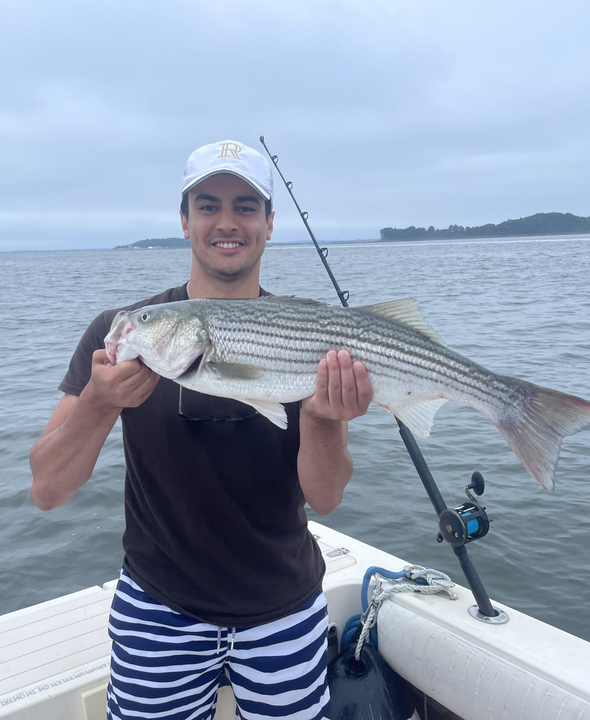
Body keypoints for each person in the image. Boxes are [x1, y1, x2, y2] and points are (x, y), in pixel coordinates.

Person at [29, 139, 372, 720]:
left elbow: (327, 497)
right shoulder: (116, 337)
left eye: (245, 206)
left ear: (268, 224)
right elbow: (46, 490)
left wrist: (317, 415)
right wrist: (96, 403)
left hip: (283, 604)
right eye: (208, 205)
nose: (227, 222)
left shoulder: (311, 335)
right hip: (157, 604)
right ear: (184, 220)